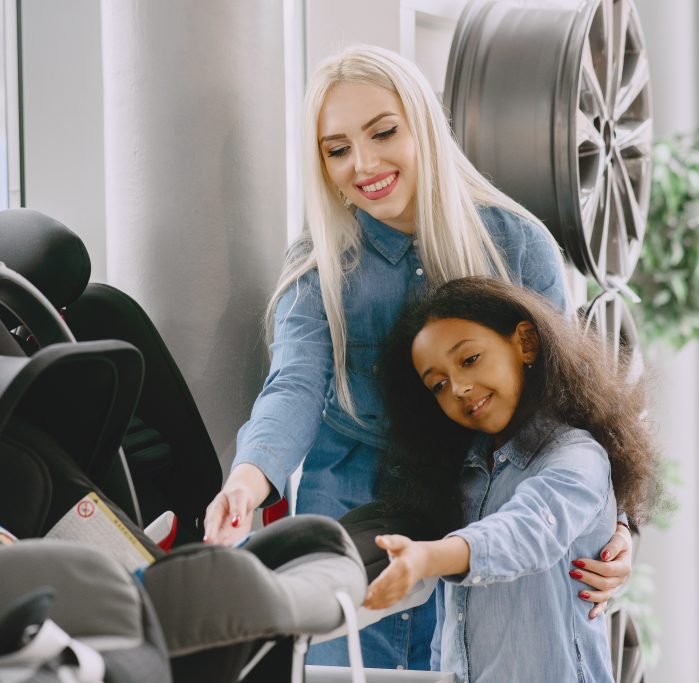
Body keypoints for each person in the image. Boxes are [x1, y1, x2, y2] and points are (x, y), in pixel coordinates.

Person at [202, 44, 634, 669]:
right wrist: (247, 480)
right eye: (337, 148)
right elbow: (293, 385)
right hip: (347, 512)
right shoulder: (316, 270)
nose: (364, 164)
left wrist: (617, 526)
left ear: (422, 127)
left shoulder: (517, 243)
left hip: (477, 511)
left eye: (383, 133)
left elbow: (566, 405)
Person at [365, 276, 664, 681]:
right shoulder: (463, 475)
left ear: (525, 343)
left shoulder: (577, 457)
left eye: (469, 359)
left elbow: (525, 533)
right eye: (438, 384)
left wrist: (428, 557)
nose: (460, 387)